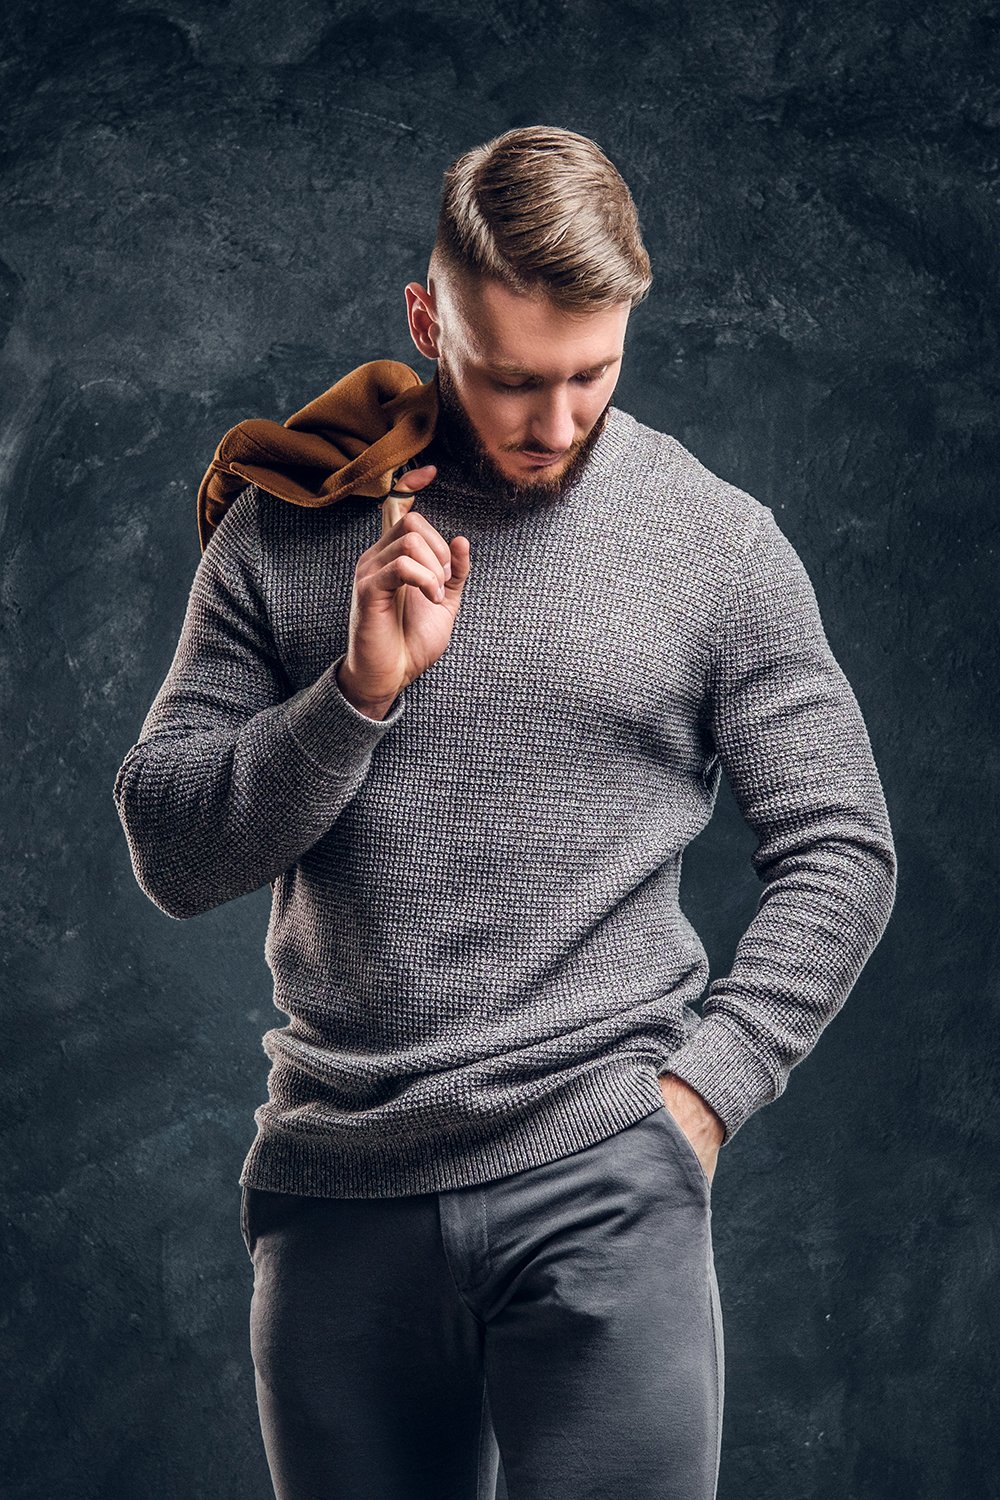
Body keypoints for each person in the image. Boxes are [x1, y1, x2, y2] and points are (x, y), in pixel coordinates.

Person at [112, 125, 897, 1500]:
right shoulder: (294, 526)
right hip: (335, 1199)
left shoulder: (716, 543)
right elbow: (172, 848)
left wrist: (701, 1100)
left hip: (606, 1178)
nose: (553, 422)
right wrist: (353, 694)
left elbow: (842, 850)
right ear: (429, 322)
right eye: (513, 378)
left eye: (592, 373)